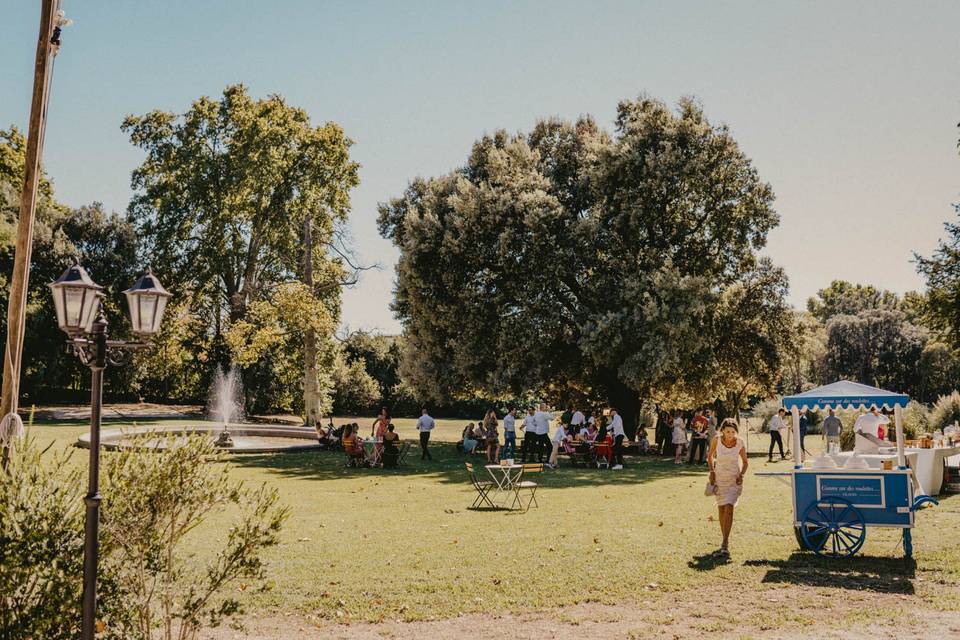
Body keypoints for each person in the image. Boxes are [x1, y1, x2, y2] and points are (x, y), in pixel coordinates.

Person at [707, 418, 749, 555]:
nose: (730, 434)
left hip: (733, 480)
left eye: (733, 432)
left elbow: (745, 462)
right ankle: (723, 536)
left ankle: (725, 541)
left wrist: (741, 475)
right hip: (719, 478)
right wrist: (712, 472)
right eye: (728, 431)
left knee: (729, 507)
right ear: (722, 431)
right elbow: (710, 456)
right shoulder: (717, 440)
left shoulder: (740, 443)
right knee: (721, 508)